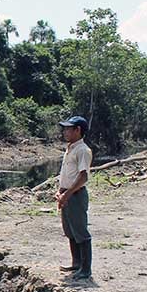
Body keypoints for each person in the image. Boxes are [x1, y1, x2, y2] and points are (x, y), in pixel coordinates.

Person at [56, 115, 93, 281]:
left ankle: (85, 269)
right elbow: (66, 174)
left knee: (80, 231)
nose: (65, 132)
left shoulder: (82, 150)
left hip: (75, 195)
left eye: (68, 129)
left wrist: (67, 194)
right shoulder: (70, 148)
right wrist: (60, 193)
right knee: (70, 230)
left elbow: (83, 177)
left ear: (78, 130)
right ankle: (76, 263)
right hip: (67, 194)